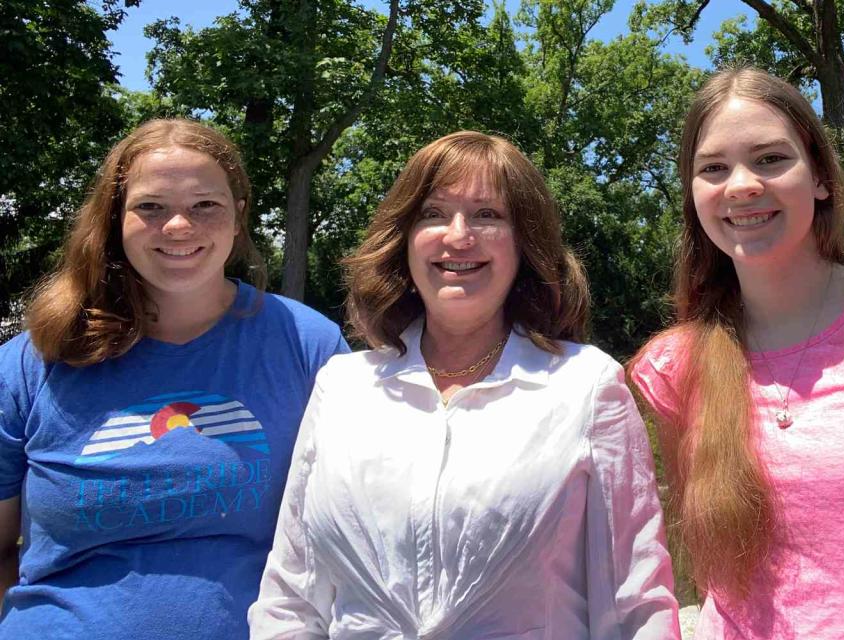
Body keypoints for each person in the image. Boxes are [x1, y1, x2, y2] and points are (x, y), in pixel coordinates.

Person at [249, 131, 680, 639]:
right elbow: (292, 597)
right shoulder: (342, 386)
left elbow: (634, 607)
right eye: (433, 213)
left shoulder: (586, 386)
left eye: (488, 215)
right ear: (404, 238)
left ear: (525, 244)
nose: (458, 236)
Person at [630, 67, 844, 639]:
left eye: (770, 159)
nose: (741, 185)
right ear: (693, 195)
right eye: (713, 168)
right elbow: (706, 564)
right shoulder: (675, 370)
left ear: (821, 178)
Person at [0, 118, 349, 639]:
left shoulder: (307, 346)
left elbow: (351, 529)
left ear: (239, 216)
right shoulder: (36, 359)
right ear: (116, 219)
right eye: (151, 207)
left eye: (205, 205)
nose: (179, 226)